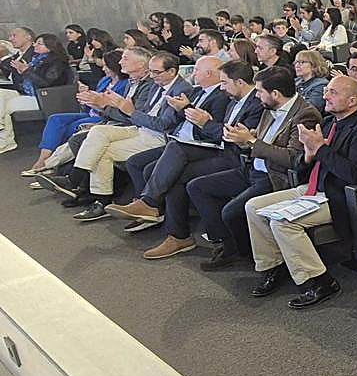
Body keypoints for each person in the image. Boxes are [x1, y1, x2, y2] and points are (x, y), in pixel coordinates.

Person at [243, 75, 357, 308]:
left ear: (352, 101)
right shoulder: (328, 123)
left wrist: (319, 148)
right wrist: (308, 154)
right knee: (254, 207)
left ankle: (320, 281)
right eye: (326, 90)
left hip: (335, 195)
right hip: (312, 188)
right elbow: (301, 163)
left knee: (282, 223)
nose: (325, 96)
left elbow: (354, 174)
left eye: (333, 92)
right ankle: (274, 266)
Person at [110, 60, 267, 257]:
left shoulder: (254, 104)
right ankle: (176, 234)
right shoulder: (233, 98)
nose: (222, 86)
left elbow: (234, 137)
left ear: (240, 82)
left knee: (175, 155)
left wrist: (205, 122)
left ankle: (155, 208)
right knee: (172, 173)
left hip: (233, 157)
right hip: (216, 148)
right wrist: (193, 114)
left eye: (225, 82)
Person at [187, 66, 322, 270]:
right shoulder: (270, 108)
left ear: (275, 94)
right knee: (197, 187)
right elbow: (259, 139)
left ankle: (248, 255)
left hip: (274, 176)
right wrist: (244, 139)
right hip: (251, 168)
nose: (256, 95)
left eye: (259, 91)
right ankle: (227, 243)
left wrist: (251, 141)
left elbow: (293, 158)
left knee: (231, 212)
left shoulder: (305, 115)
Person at [43, 52, 191, 219]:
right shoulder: (157, 84)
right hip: (141, 128)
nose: (152, 75)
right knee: (98, 133)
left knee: (101, 150)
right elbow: (143, 114)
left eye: (156, 72)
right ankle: (81, 183)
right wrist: (115, 106)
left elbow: (163, 125)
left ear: (171, 72)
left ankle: (94, 195)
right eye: (151, 71)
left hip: (158, 136)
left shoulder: (182, 89)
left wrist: (129, 111)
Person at [24, 49, 127, 174]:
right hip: (91, 112)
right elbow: (95, 99)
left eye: (106, 65)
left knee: (73, 127)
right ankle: (43, 159)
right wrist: (86, 94)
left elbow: (114, 106)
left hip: (105, 116)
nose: (103, 68)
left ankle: (56, 165)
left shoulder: (125, 84)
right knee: (55, 119)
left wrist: (95, 100)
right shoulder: (105, 80)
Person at [0, 33, 73, 154]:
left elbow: (46, 83)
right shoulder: (36, 60)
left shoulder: (57, 61)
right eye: (36, 43)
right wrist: (21, 70)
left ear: (50, 46)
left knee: (6, 106)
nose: (35, 45)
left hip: (45, 97)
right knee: (1, 94)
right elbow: (24, 81)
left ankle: (6, 139)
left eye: (40, 43)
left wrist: (26, 70)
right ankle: (3, 131)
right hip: (28, 92)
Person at [292, 49, 330, 114]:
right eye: (296, 62)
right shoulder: (295, 81)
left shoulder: (321, 85)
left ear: (314, 66)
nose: (297, 65)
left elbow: (310, 109)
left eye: (302, 62)